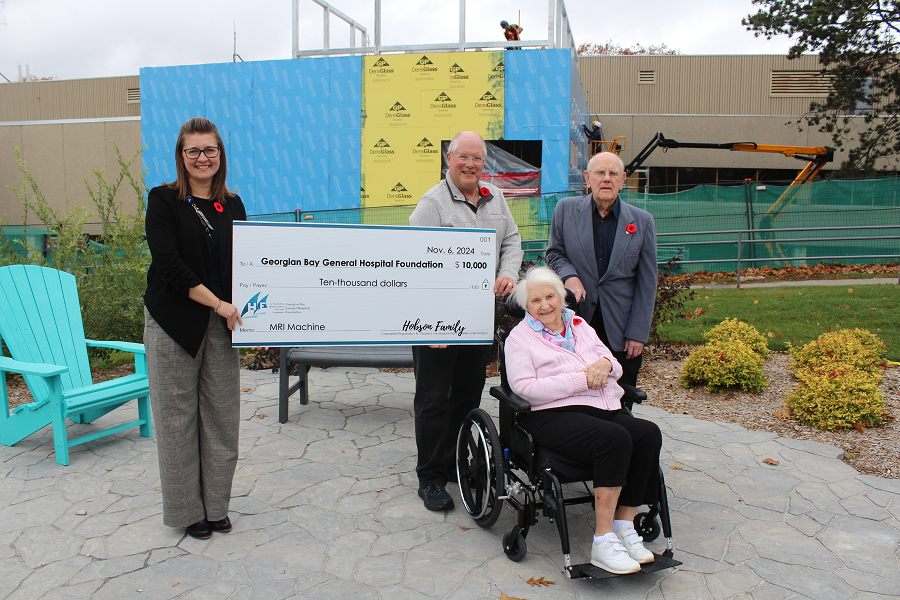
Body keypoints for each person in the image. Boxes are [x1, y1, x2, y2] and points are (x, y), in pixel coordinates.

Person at [505, 266, 662, 574]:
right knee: (613, 438)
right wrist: (580, 380)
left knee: (647, 433)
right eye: (535, 300)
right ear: (527, 306)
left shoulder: (580, 325)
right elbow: (526, 389)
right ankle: (602, 541)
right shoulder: (519, 339)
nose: (545, 305)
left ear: (562, 296)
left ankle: (624, 524)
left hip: (602, 406)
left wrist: (604, 364)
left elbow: (613, 365)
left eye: (550, 296)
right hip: (551, 415)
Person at [409, 130, 524, 511]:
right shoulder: (432, 205)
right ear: (449, 159)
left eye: (477, 158)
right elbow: (413, 264)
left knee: (467, 393)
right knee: (433, 399)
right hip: (438, 323)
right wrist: (429, 323)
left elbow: (512, 241)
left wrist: (508, 272)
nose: (471, 165)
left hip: (476, 319)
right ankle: (430, 477)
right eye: (464, 157)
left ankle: (457, 461)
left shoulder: (496, 197)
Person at [144, 117, 246, 540]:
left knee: (222, 418)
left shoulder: (233, 204)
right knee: (176, 421)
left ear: (220, 155)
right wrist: (220, 303)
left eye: (210, 150)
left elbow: (248, 262)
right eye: (194, 151)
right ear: (181, 157)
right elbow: (169, 265)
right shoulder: (164, 200)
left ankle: (216, 506)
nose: (203, 158)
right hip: (174, 322)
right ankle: (188, 511)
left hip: (223, 326)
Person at [546, 151, 657, 388]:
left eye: (613, 173)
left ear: (623, 180)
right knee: (579, 393)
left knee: (622, 398)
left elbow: (647, 283)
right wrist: (570, 277)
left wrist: (638, 333)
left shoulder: (643, 221)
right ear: (587, 178)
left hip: (621, 330)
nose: (606, 179)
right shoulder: (565, 210)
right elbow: (554, 253)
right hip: (576, 323)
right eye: (600, 173)